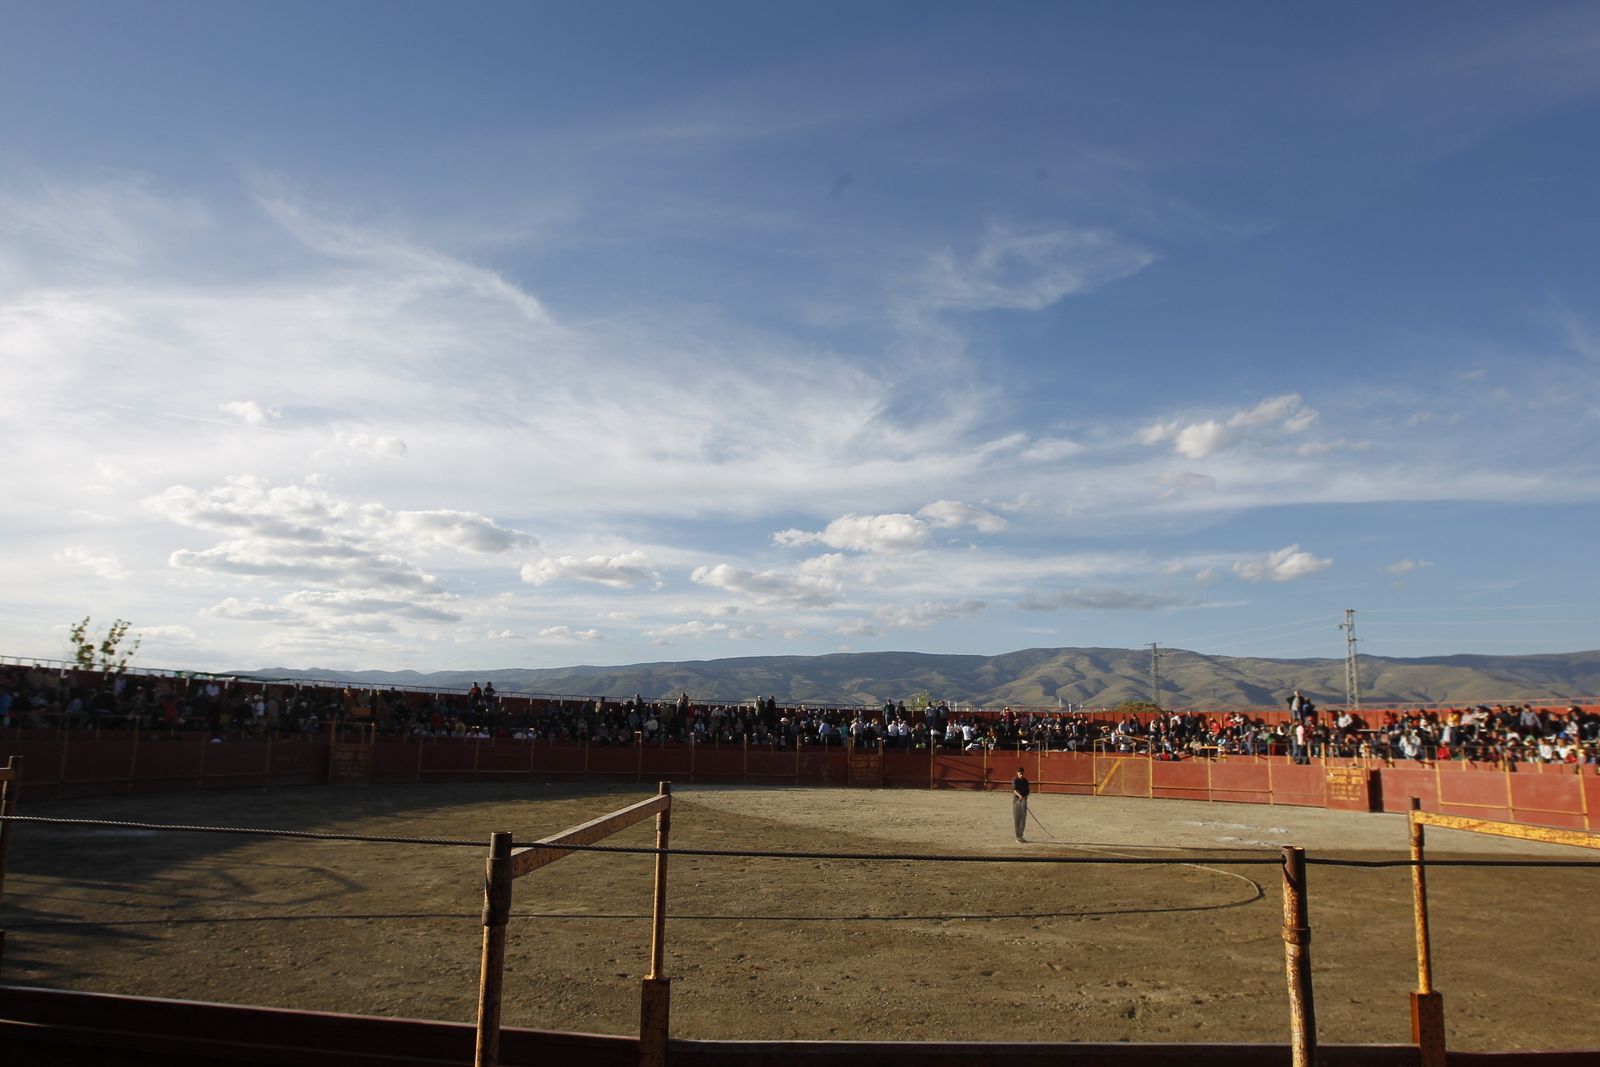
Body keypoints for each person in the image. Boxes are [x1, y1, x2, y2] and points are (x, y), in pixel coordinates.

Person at [1011, 766, 1030, 842]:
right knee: (1017, 818)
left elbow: (1028, 791)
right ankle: (1018, 837)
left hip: (1024, 800)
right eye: (1019, 773)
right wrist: (1020, 796)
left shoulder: (1025, 781)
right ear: (1017, 773)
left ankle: (1021, 835)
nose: (1021, 774)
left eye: (1022, 773)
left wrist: (1025, 797)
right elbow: (1015, 790)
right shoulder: (1015, 780)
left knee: (1023, 819)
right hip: (1017, 801)